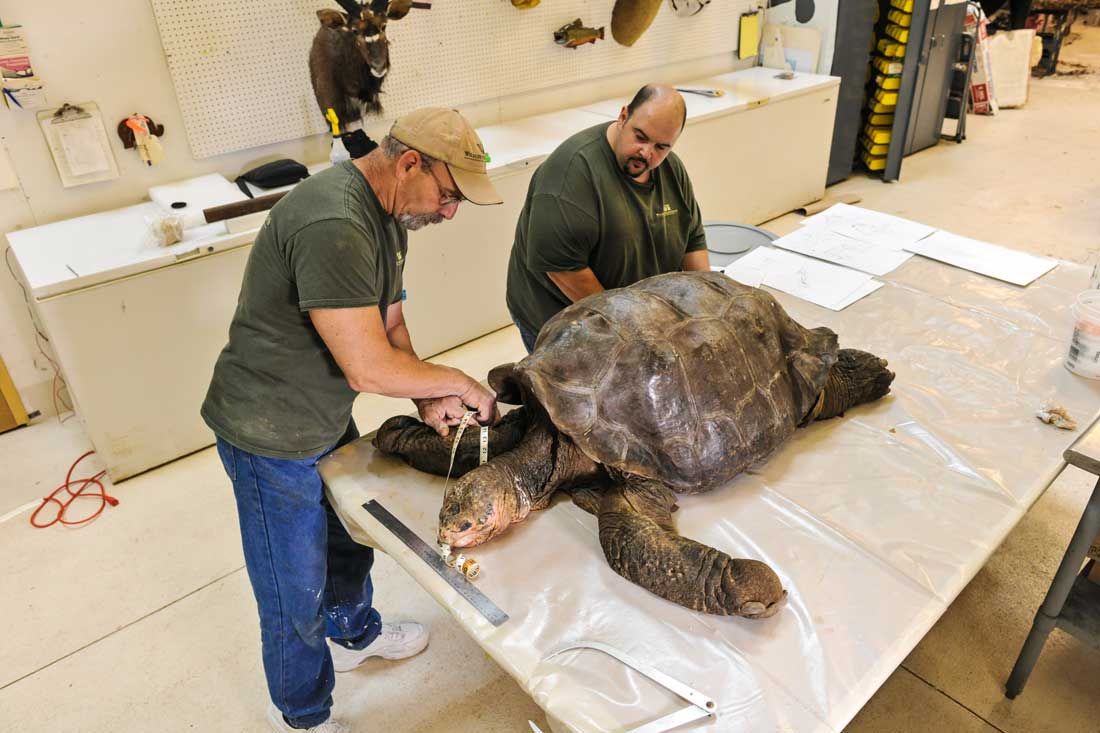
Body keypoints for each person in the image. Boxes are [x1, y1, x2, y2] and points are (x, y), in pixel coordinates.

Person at [201, 107, 503, 733]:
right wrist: (457, 381)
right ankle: (304, 717)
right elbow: (367, 366)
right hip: (268, 431)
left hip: (318, 410)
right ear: (410, 162)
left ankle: (355, 635)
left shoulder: (390, 217)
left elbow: (390, 328)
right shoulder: (336, 223)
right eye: (448, 196)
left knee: (345, 533)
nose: (449, 213)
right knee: (293, 589)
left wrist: (423, 395)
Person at [505, 84, 711, 353]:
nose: (647, 153)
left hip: (635, 314)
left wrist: (706, 312)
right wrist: (630, 332)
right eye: (640, 137)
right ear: (623, 116)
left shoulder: (672, 170)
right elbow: (563, 268)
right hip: (561, 321)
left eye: (661, 147)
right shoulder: (570, 174)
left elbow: (692, 243)